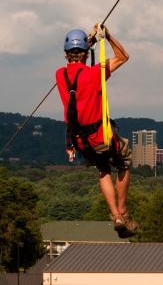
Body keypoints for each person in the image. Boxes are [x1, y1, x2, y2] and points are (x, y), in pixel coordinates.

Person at [55, 24, 136, 238]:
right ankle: (123, 212)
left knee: (103, 170)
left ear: (66, 54)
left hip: (80, 141)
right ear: (84, 54)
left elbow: (74, 67)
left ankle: (114, 216)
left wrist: (87, 45)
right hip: (101, 137)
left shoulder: (59, 76)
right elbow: (123, 56)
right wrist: (107, 36)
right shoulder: (95, 73)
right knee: (124, 162)